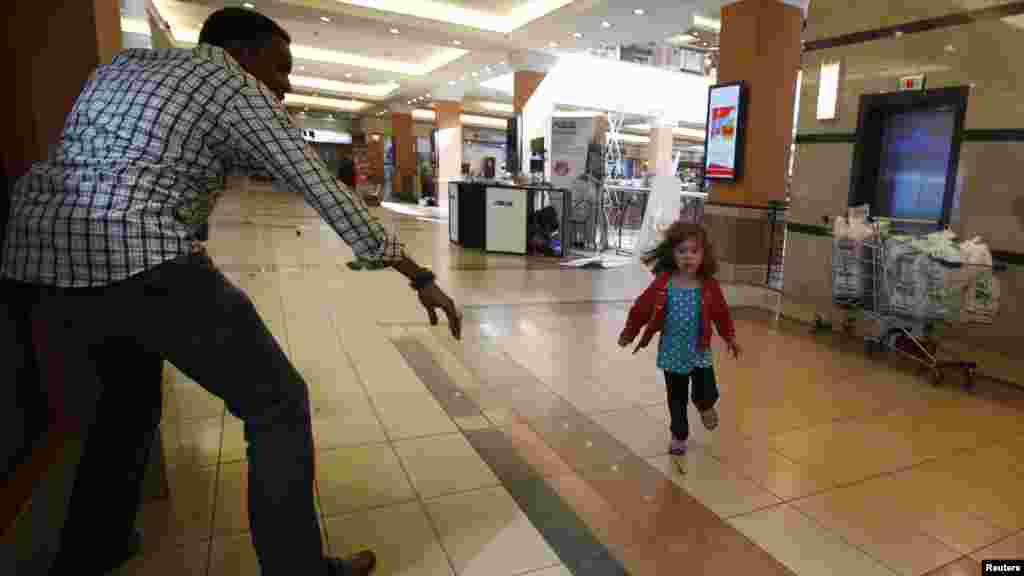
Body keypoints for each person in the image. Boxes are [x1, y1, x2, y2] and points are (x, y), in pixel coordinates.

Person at [1, 7, 461, 576]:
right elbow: (321, 187)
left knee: (120, 408)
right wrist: (419, 274)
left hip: (36, 260)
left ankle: (96, 545)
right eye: (281, 67)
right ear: (243, 54)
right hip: (141, 256)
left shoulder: (121, 65)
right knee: (277, 404)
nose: (285, 83)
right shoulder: (231, 84)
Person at [618, 222, 741, 455]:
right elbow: (641, 308)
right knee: (676, 397)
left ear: (704, 255)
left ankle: (705, 406)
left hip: (699, 350)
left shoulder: (708, 285)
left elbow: (721, 313)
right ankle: (679, 434)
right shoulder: (664, 283)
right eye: (682, 251)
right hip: (672, 350)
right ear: (671, 254)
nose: (688, 257)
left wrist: (729, 337)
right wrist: (629, 332)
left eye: (694, 251)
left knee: (705, 391)